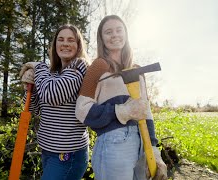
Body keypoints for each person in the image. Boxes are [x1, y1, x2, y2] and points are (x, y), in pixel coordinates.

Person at [75, 15, 167, 180]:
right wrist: (122, 111)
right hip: (113, 143)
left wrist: (153, 149)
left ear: (126, 34)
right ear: (102, 39)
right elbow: (82, 110)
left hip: (142, 141)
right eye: (108, 32)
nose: (115, 35)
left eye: (119, 30)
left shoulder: (138, 70)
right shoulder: (99, 66)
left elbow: (147, 113)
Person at [19, 24, 89, 180]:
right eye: (61, 39)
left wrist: (39, 67)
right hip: (48, 151)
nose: (65, 43)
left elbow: (53, 96)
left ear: (78, 46)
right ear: (55, 44)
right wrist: (29, 88)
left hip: (68, 154)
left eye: (71, 40)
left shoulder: (79, 66)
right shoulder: (52, 74)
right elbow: (34, 108)